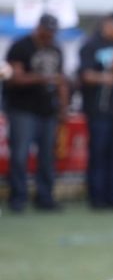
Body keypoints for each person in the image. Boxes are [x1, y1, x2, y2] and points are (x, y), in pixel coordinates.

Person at [3, 14, 68, 213]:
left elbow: (61, 81)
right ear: (38, 27)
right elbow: (15, 78)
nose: (49, 35)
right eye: (47, 31)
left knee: (47, 156)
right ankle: (18, 197)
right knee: (20, 155)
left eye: (53, 32)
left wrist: (63, 109)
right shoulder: (20, 46)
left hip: (47, 110)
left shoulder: (56, 48)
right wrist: (44, 77)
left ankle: (45, 196)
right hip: (22, 109)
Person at [79, 12, 113, 210]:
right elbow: (84, 75)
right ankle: (96, 197)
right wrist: (103, 78)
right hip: (98, 109)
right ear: (108, 24)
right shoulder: (91, 45)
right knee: (98, 153)